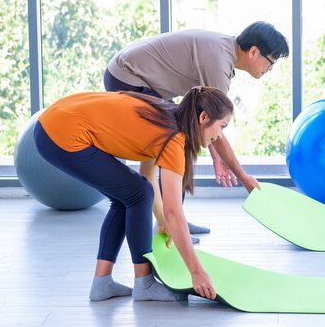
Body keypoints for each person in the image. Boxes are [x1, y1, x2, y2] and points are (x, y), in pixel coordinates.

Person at [34, 86, 237, 301]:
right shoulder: (173, 139)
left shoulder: (166, 115)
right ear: (204, 117)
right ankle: (144, 284)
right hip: (60, 134)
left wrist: (162, 222)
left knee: (131, 193)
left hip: (53, 121)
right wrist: (197, 272)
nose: (220, 135)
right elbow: (173, 212)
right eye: (222, 126)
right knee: (137, 193)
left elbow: (147, 175)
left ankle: (102, 284)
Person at [103, 21, 289, 239]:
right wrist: (243, 177)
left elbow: (205, 120)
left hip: (146, 82)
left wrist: (216, 158)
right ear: (254, 52)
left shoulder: (223, 50)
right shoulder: (219, 63)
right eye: (271, 63)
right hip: (128, 78)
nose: (269, 69)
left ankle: (173, 218)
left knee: (178, 141)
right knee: (174, 143)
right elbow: (215, 125)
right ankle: (168, 223)